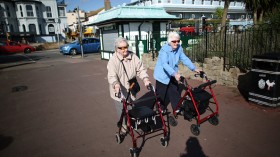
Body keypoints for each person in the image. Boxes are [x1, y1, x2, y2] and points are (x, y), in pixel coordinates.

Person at [107, 37, 151, 133]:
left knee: (131, 106)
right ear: (116, 49)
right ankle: (124, 124)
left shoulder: (133, 56)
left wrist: (146, 79)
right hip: (119, 89)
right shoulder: (113, 60)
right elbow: (112, 75)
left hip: (131, 87)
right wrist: (116, 85)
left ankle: (132, 122)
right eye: (120, 48)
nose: (124, 50)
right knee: (122, 109)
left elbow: (141, 69)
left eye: (125, 47)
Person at [153, 31, 201, 114]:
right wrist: (175, 74)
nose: (176, 43)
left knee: (174, 91)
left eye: (178, 41)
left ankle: (177, 108)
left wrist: (194, 68)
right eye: (174, 41)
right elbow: (164, 64)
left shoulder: (179, 48)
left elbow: (184, 59)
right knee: (161, 94)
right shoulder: (164, 50)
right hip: (162, 75)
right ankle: (160, 108)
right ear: (169, 41)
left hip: (172, 74)